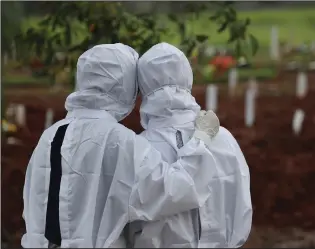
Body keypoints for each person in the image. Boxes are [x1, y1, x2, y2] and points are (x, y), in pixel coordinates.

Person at [21, 43, 221, 248]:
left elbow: (34, 206)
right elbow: (177, 189)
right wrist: (201, 140)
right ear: (124, 85)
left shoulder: (50, 137)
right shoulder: (119, 141)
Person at [127, 42, 253, 248]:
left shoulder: (136, 149)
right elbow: (241, 208)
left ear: (142, 86)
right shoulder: (224, 139)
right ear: (188, 76)